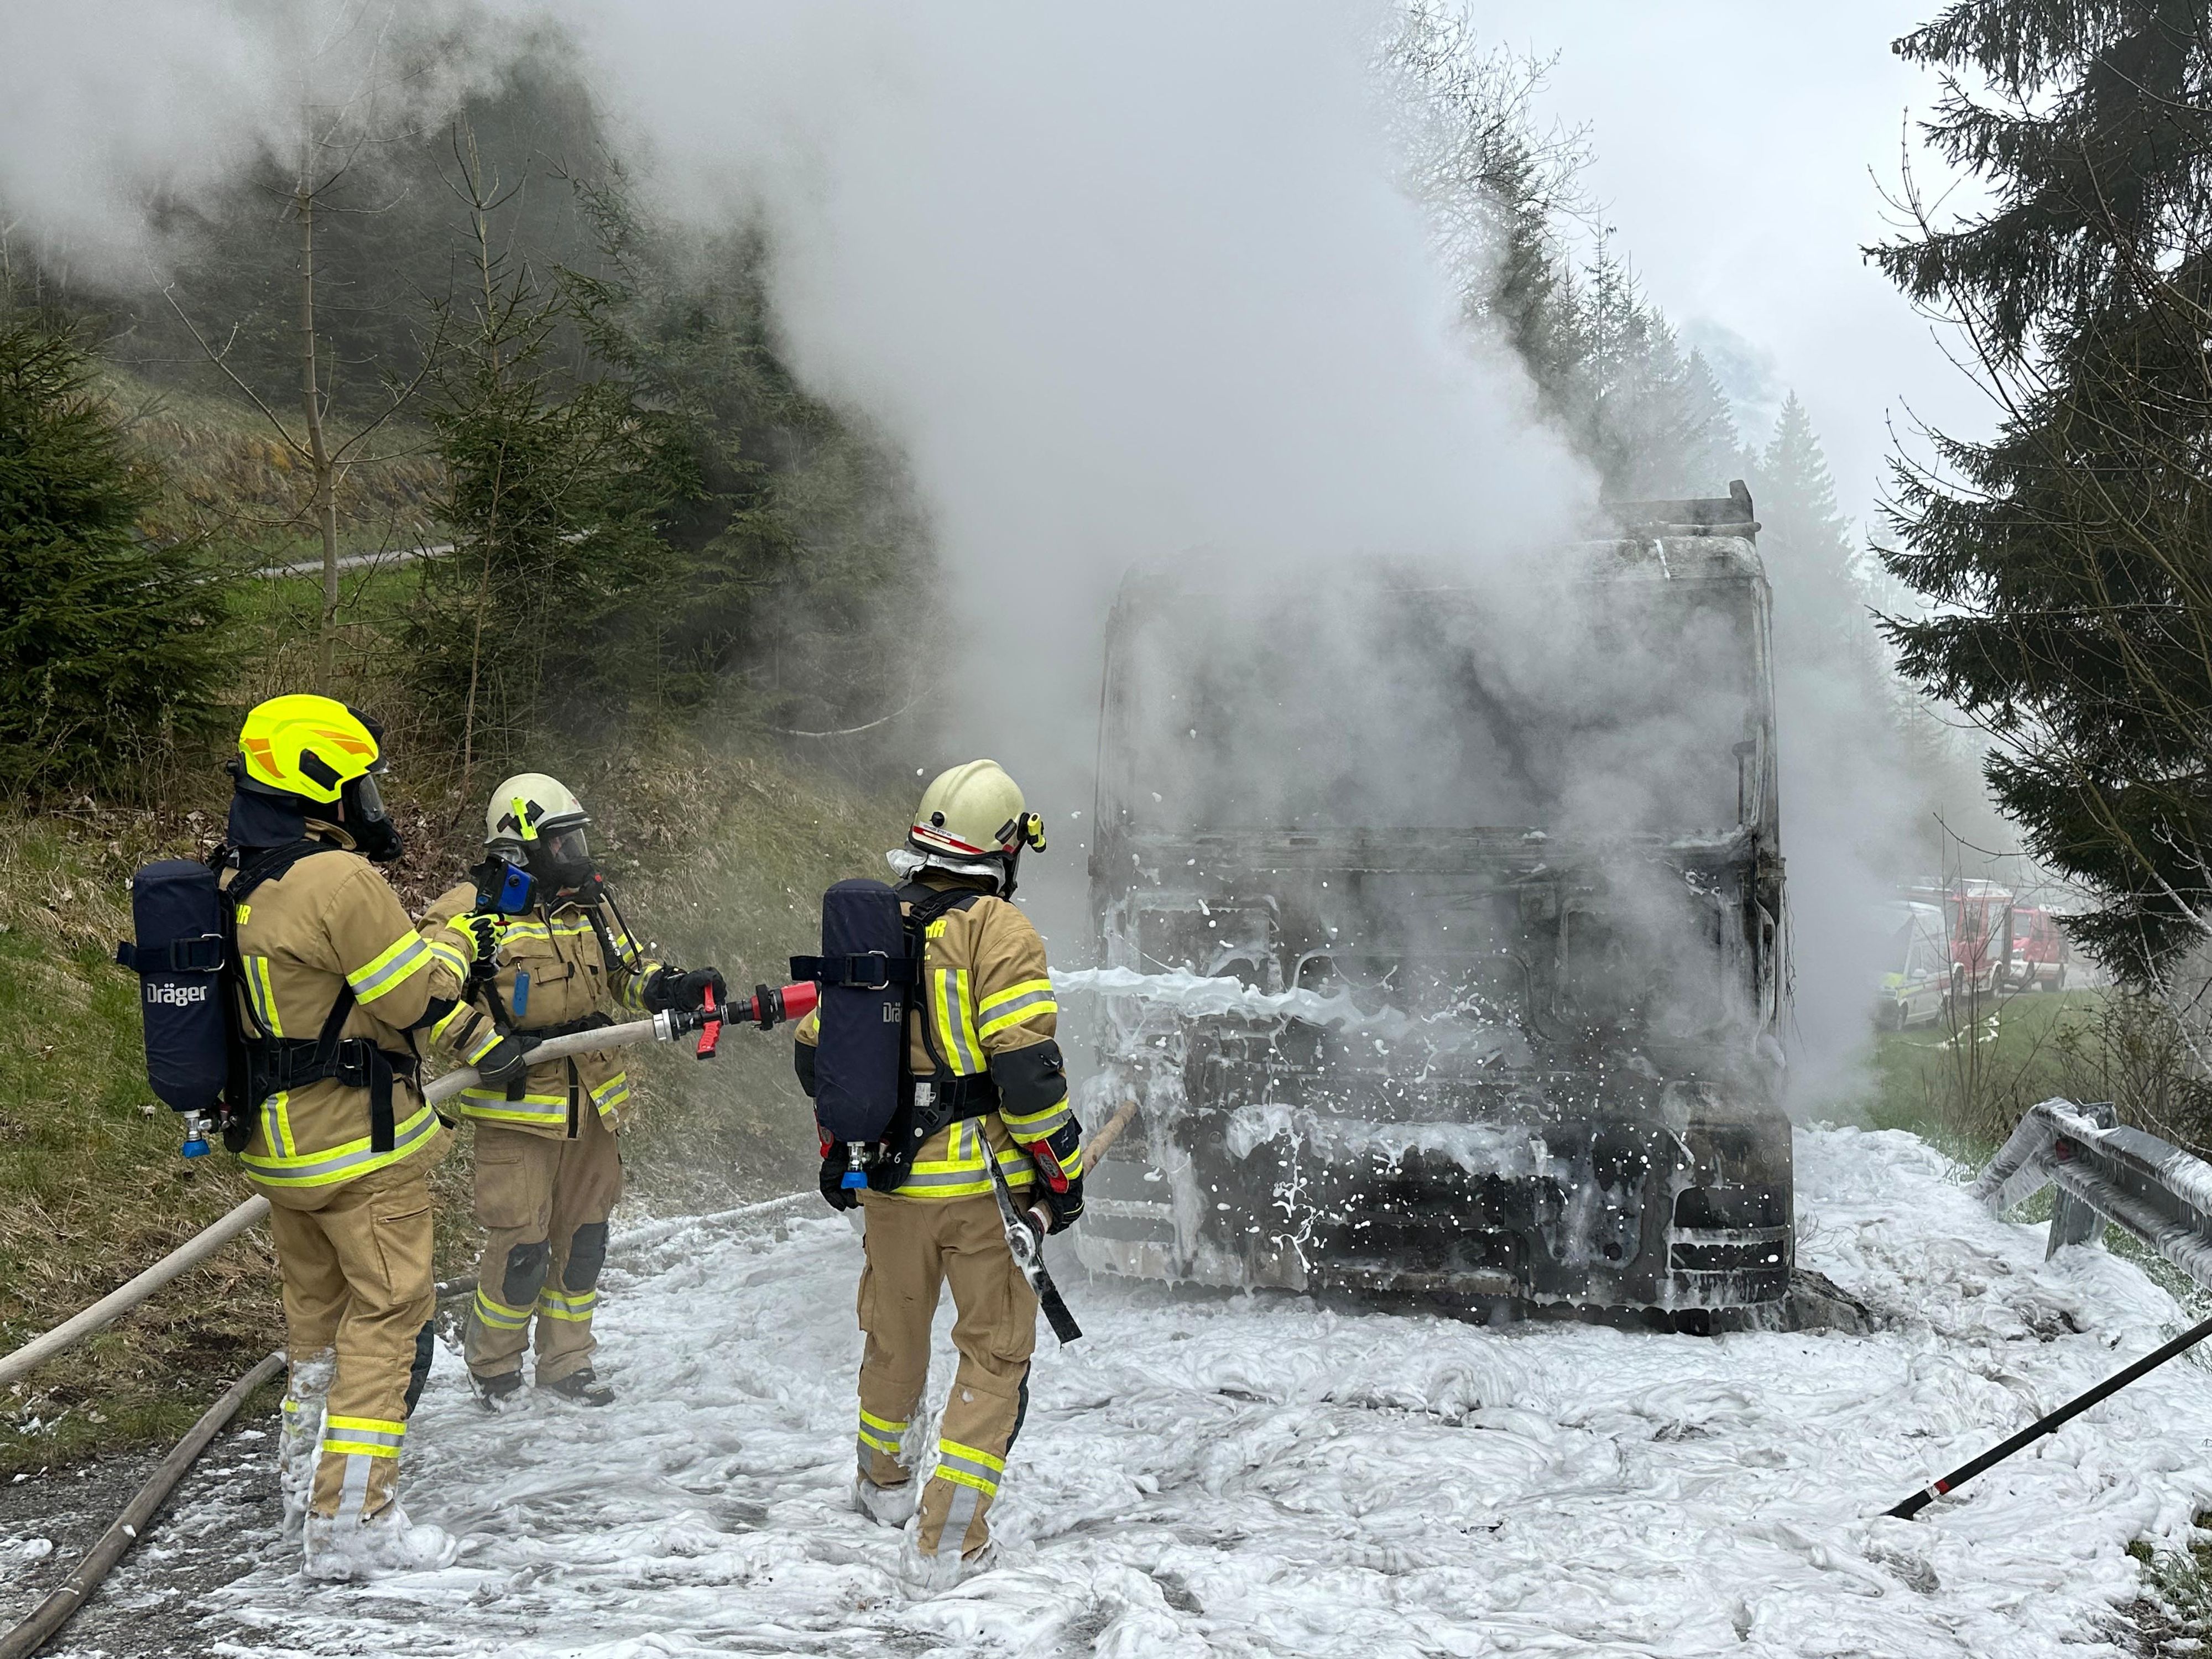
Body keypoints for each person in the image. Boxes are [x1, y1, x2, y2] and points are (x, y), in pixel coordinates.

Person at [222, 695, 526, 1580]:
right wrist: (449, 938)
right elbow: (412, 999)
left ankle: (302, 1495)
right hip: (360, 1149)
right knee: (386, 1321)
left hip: (281, 1152)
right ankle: (352, 1522)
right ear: (323, 783)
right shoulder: (338, 881)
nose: (371, 801)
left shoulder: (237, 873)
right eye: (362, 784)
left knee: (316, 1328)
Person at [793, 759, 1085, 1587]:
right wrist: (1060, 1174)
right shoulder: (999, 930)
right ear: (1003, 847)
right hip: (978, 1194)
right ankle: (947, 1542)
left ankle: (882, 1485)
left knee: (895, 1336)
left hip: (888, 1188)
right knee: (993, 1355)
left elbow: (816, 1059)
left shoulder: (876, 927)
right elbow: (1027, 1076)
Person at [421, 773, 724, 1410]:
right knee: (523, 1250)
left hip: (593, 1103)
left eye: (577, 840)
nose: (577, 855)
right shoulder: (469, 913)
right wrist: (481, 1042)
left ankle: (566, 1364)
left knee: (584, 1242)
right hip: (517, 1114)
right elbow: (421, 995)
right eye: (564, 844)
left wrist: (669, 987)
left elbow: (626, 973)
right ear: (519, 848)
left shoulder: (583, 908)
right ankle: (494, 1369)